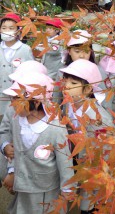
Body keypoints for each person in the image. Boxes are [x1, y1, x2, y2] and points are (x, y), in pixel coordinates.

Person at [0, 71, 75, 214]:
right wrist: (12, 170)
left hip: (45, 189)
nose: (12, 104)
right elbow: (16, 151)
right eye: (12, 98)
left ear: (36, 102)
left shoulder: (55, 128)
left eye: (18, 99)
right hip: (23, 187)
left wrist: (67, 188)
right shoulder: (17, 120)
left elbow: (65, 160)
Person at [60, 59, 114, 213]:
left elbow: (106, 154)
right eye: (66, 81)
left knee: (90, 205)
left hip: (94, 171)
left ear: (88, 89)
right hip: (77, 163)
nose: (66, 86)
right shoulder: (68, 105)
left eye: (73, 83)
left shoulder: (97, 119)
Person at [0, 61, 48, 185]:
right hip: (11, 161)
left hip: (36, 174)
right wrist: (5, 145)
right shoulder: (12, 108)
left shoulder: (49, 115)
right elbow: (4, 130)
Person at [0, 13, 33, 118]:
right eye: (4, 28)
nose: (7, 31)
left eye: (11, 28)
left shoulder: (25, 49)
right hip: (1, 94)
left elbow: (31, 71)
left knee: (15, 119)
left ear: (18, 30)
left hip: (18, 95)